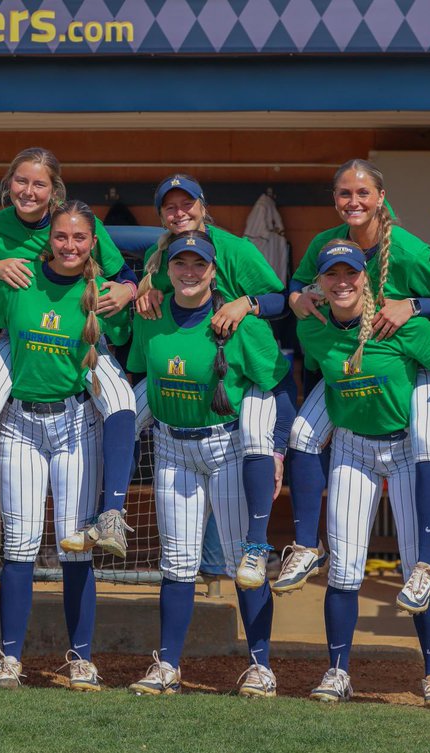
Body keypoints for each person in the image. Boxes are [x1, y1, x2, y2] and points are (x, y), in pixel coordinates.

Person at [281, 160, 430, 614]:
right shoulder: (327, 242)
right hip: (349, 358)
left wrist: (413, 305)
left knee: (426, 441)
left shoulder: (405, 249)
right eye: (344, 193)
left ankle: (423, 563)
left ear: (381, 197)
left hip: (411, 355)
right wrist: (296, 296)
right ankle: (305, 546)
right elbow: (301, 282)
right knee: (303, 432)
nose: (353, 202)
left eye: (363, 193)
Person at [0, 200, 131, 692]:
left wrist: (129, 290)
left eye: (80, 238)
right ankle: (9, 659)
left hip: (75, 425)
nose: (70, 246)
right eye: (61, 237)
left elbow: (119, 349)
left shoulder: (98, 293)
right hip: (20, 425)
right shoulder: (19, 283)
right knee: (18, 548)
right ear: (49, 239)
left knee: (75, 547)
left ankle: (80, 659)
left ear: (93, 243)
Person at [125, 231, 293, 698]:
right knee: (177, 565)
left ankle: (261, 667)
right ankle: (168, 667)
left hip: (227, 448)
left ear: (214, 271)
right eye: (181, 263)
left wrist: (277, 450)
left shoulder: (242, 325)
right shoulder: (151, 318)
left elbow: (279, 390)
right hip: (172, 448)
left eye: (199, 264)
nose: (190, 271)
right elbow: (140, 377)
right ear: (169, 268)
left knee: (246, 564)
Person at [296, 241, 430, 709]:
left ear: (367, 278)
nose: (342, 281)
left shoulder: (400, 325)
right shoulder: (314, 329)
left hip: (408, 447)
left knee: (417, 571)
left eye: (351, 273)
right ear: (321, 283)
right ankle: (337, 672)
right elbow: (315, 376)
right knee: (345, 570)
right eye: (332, 275)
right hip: (353, 447)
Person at [0, 149, 137, 571]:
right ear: (8, 184)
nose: (28, 190)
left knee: (125, 402)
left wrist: (129, 291)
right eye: (21, 181)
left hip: (81, 336)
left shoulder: (77, 223)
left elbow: (123, 276)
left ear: (54, 192)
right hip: (13, 334)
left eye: (39, 183)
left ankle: (112, 512)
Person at [131, 175, 290, 587]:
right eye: (170, 206)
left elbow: (280, 299)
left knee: (253, 440)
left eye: (187, 204)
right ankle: (105, 510)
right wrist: (146, 292)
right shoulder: (157, 252)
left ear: (203, 205)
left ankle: (253, 549)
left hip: (239, 365)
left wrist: (245, 303)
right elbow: (163, 296)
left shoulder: (234, 248)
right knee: (121, 416)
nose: (179, 213)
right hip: (184, 365)